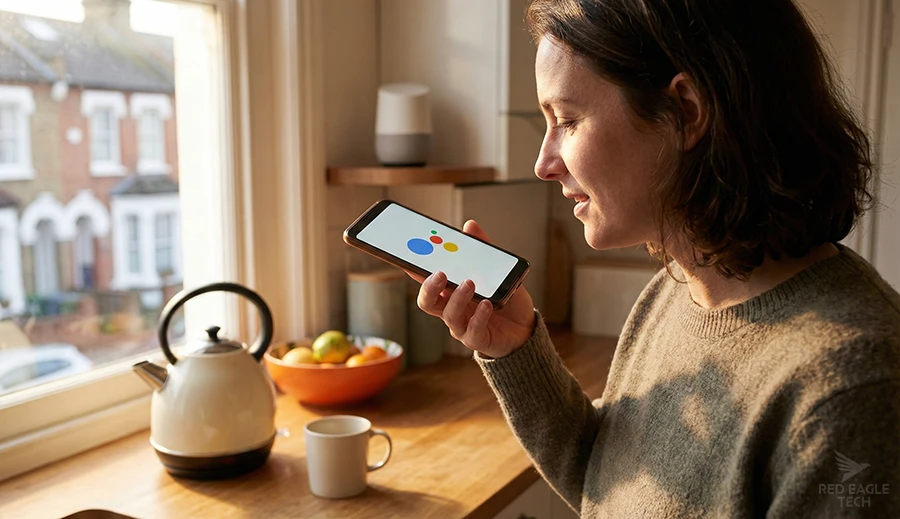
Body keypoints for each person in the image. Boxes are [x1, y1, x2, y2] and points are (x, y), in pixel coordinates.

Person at [412, 0, 900, 517]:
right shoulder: (679, 289)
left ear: (685, 111)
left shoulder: (852, 391)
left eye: (568, 120)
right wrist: (517, 350)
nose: (544, 164)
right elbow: (610, 487)